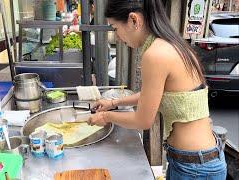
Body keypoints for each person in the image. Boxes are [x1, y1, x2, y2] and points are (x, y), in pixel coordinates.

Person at [88, 0, 227, 179]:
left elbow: (143, 120)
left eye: (115, 28)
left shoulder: (155, 55)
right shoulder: (173, 45)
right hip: (198, 160)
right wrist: (113, 102)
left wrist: (105, 117)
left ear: (133, 20)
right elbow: (154, 95)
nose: (117, 38)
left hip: (195, 168)